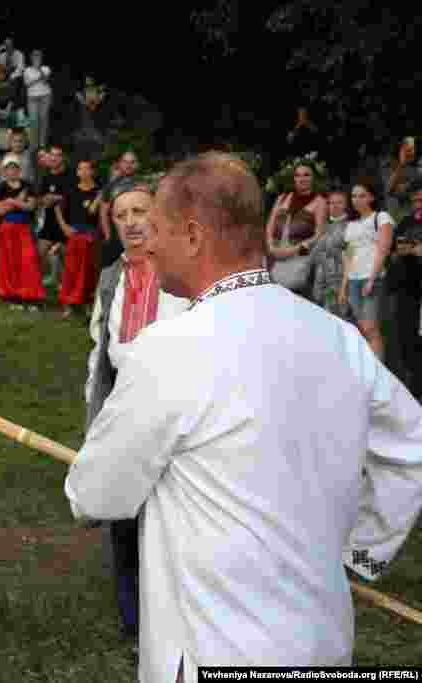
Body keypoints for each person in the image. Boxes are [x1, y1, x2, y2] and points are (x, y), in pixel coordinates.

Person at [65, 151, 422, 683]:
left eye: (158, 229)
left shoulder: (168, 350)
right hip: (321, 643)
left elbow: (95, 494)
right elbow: (412, 446)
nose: (149, 243)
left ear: (194, 235)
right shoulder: (339, 339)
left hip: (215, 651)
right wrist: (361, 552)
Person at [82, 176, 189, 653]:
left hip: (174, 410)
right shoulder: (112, 278)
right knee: (124, 518)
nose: (130, 223)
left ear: (159, 214)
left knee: (171, 523)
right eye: (121, 215)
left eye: (139, 212)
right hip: (124, 408)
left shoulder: (184, 274)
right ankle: (135, 624)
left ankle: (178, 623)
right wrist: (95, 420)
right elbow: (98, 354)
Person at [340, 179, 392, 360]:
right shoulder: (351, 224)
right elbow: (348, 256)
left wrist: (371, 279)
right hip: (353, 280)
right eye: (353, 196)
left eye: (362, 195)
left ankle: (381, 375)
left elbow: (384, 250)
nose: (356, 200)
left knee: (371, 329)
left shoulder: (381, 217)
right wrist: (343, 286)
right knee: (363, 330)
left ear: (371, 197)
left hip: (372, 278)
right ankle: (370, 371)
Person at [384, 181, 422, 396]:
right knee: (407, 343)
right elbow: (393, 251)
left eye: (421, 199)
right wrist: (400, 251)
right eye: (415, 200)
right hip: (405, 289)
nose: (418, 204)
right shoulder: (406, 222)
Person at [51, 158, 101, 318]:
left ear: (92, 171)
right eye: (80, 169)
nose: (84, 172)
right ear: (77, 172)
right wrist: (64, 227)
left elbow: (99, 215)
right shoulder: (71, 190)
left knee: (88, 272)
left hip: (91, 237)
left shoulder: (98, 192)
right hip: (74, 236)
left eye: (87, 169)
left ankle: (87, 304)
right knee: (71, 271)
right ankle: (68, 305)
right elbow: (58, 209)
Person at [265, 163, 326, 296]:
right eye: (298, 175)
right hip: (274, 256)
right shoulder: (282, 198)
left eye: (306, 175)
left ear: (313, 178)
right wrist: (270, 246)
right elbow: (270, 224)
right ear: (294, 178)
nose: (302, 178)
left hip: (298, 259)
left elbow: (319, 234)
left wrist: (294, 250)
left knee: (294, 299)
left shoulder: (320, 202)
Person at [0, 155, 44, 311]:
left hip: (24, 227)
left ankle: (31, 296)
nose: (12, 171)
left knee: (29, 260)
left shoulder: (28, 185)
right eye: (9, 168)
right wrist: (19, 201)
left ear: (19, 170)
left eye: (15, 168)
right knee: (10, 262)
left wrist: (11, 201)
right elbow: (0, 210)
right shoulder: (1, 187)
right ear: (4, 171)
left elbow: (31, 207)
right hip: (7, 228)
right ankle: (13, 296)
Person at [309, 188, 352, 319]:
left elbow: (351, 258)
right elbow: (313, 256)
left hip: (341, 284)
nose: (334, 206)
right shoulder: (322, 227)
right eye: (331, 203)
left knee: (343, 324)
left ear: (346, 205)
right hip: (321, 284)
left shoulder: (351, 226)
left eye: (339, 202)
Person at [37, 145, 71, 287]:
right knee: (38, 254)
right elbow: (39, 199)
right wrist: (44, 200)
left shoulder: (70, 176)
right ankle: (34, 287)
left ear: (62, 158)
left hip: (65, 224)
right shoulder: (46, 178)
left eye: (58, 155)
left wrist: (57, 198)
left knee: (68, 260)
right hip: (49, 223)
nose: (55, 158)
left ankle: (68, 289)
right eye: (52, 155)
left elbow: (73, 197)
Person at [99, 150, 138, 269]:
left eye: (132, 162)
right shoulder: (111, 186)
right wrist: (108, 235)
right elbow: (103, 212)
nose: (128, 165)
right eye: (125, 162)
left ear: (137, 165)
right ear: (120, 164)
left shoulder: (142, 185)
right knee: (110, 272)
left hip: (135, 234)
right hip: (115, 236)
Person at [23, 50, 52, 151]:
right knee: (33, 120)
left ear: (41, 58)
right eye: (35, 56)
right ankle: (33, 144)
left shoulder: (46, 68)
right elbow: (27, 84)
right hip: (32, 97)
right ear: (31, 58)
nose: (36, 58)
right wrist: (38, 77)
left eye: (38, 56)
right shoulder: (27, 70)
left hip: (45, 95)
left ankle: (42, 144)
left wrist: (39, 69)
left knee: (43, 119)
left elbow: (45, 80)